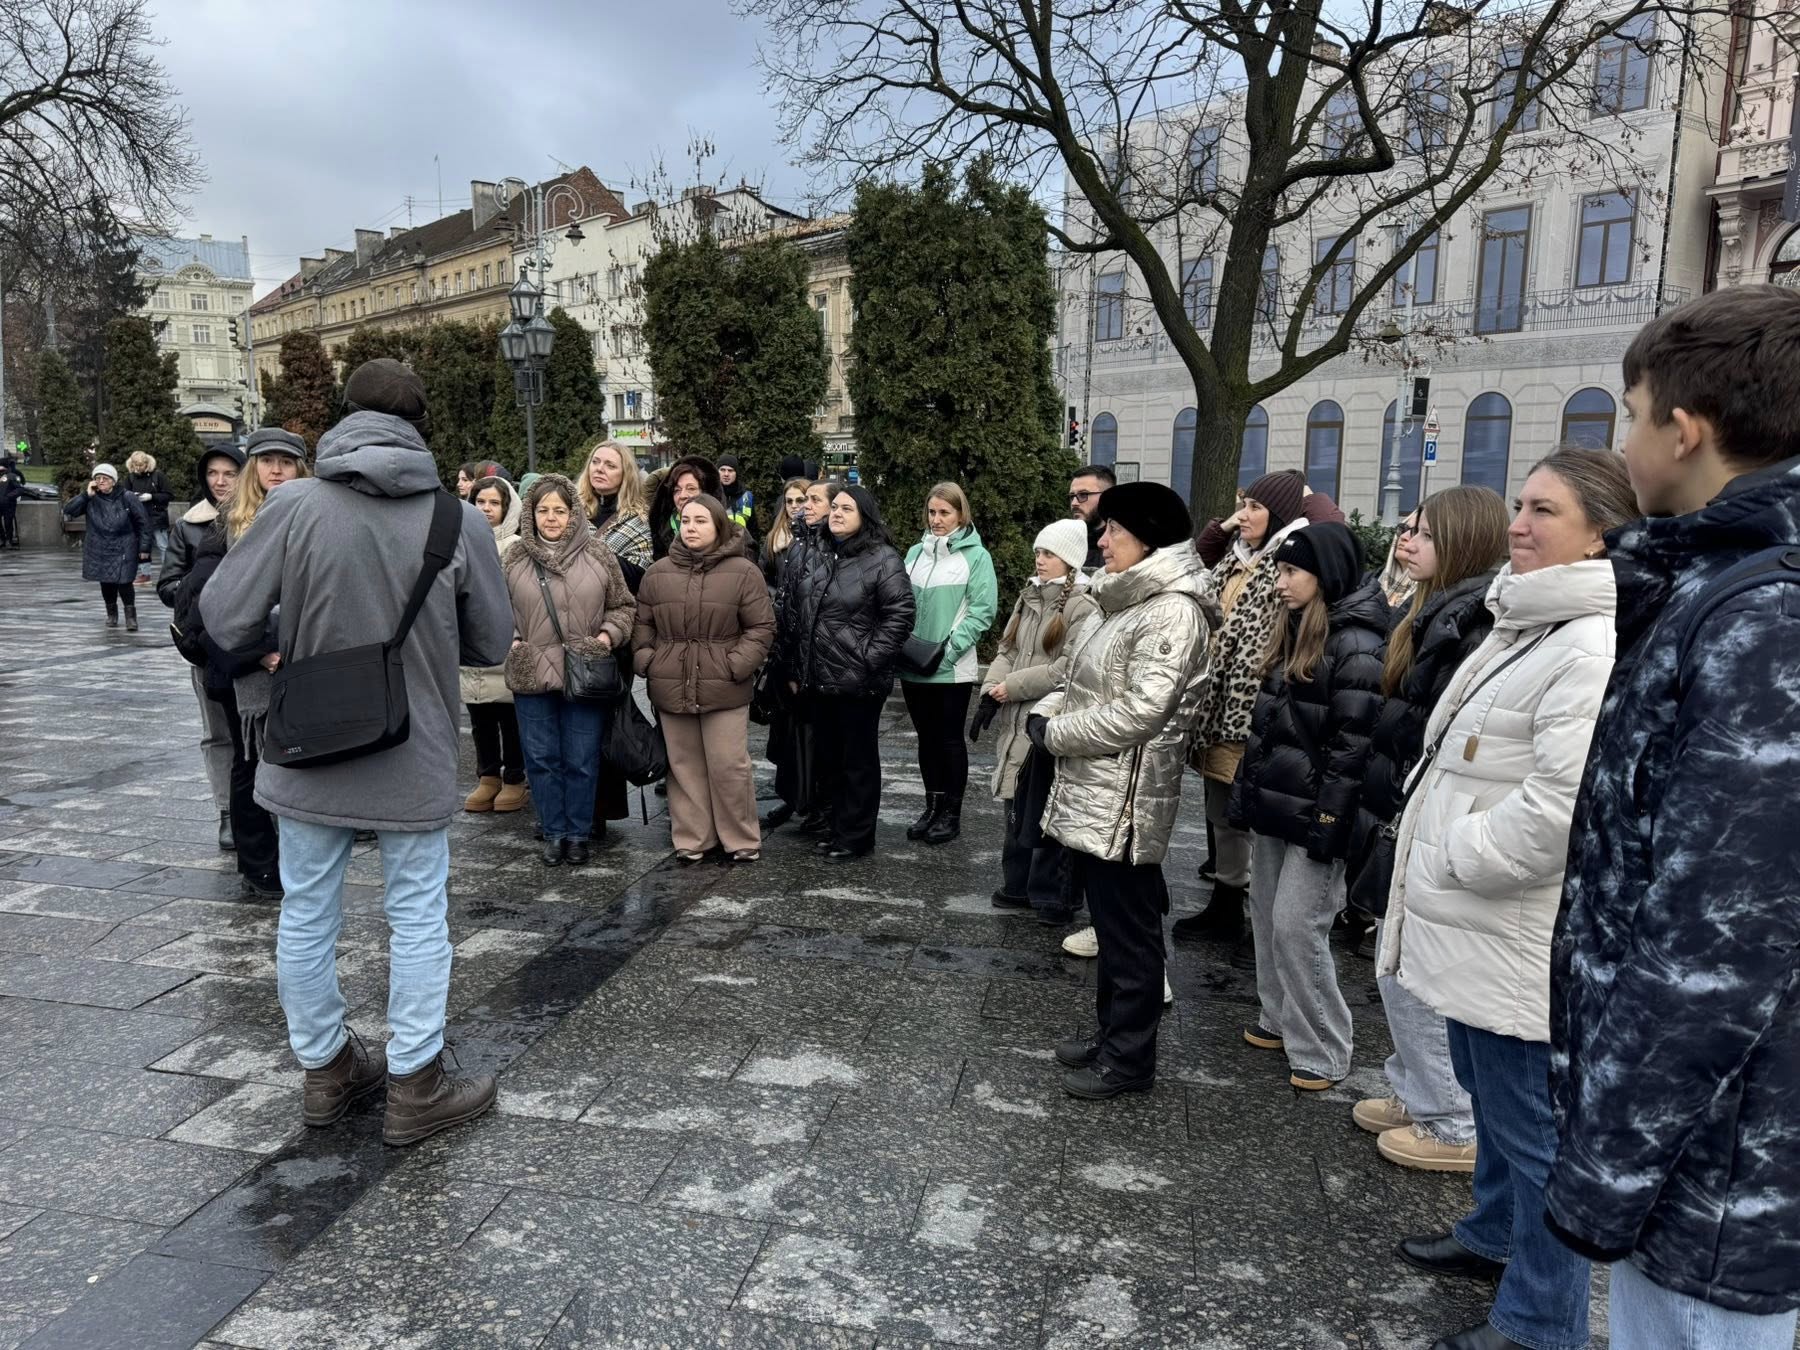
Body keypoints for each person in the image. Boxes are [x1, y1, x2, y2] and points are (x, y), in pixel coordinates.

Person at [1547, 286, 1800, 1350]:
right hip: (1706, 1151)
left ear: (1683, 430)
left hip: (1721, 1177)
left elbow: (1721, 939)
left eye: (1631, 412)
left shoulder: (1764, 617)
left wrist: (1605, 1172)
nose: (1624, 438)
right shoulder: (1723, 586)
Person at [201, 359, 514, 1148]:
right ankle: (416, 1081)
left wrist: (295, 637)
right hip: (415, 747)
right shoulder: (457, 518)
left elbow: (225, 618)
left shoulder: (296, 503)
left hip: (308, 743)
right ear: (418, 426)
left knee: (306, 911)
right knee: (416, 917)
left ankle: (326, 1069)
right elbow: (492, 641)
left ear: (343, 419)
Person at [1378, 447, 1637, 1350]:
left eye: (1545, 511)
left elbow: (1557, 812)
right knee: (1490, 1102)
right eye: (1520, 505)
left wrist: (1452, 855)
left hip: (1511, 926)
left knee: (1534, 1140)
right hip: (1471, 920)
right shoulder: (1524, 621)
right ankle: (1491, 1234)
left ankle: (1540, 1324)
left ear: (1601, 532)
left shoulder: (1585, 642)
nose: (1519, 524)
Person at [1035, 482, 1213, 1099]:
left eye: (1112, 530)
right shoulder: (1126, 602)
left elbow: (1142, 711)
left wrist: (1054, 732)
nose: (1100, 540)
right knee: (1110, 928)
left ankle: (1131, 1061)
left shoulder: (1173, 610)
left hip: (1129, 799)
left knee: (1131, 934)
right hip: (1097, 787)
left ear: (1147, 537)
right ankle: (1111, 1035)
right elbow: (1082, 680)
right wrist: (1050, 710)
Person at [1351, 486, 1509, 1173]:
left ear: (1464, 542)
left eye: (1422, 532)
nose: (1404, 541)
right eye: (1405, 529)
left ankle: (1450, 1120)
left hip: (1435, 817)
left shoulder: (1468, 619)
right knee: (1394, 961)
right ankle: (1418, 1091)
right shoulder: (1431, 609)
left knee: (1416, 969)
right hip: (1403, 807)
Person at [1228, 521, 1386, 1091]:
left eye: (1291, 571)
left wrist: (1329, 821)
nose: (1279, 582)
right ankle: (1279, 1018)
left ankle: (1322, 1045)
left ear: (1326, 576)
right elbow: (1265, 725)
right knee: (1266, 914)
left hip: (1319, 811)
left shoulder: (1357, 643)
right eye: (1280, 570)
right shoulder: (1296, 626)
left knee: (1298, 924)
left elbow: (1353, 747)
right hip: (1278, 800)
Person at [1170, 470, 1345, 963]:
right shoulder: (1238, 557)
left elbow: (1336, 533)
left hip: (1255, 714)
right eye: (1242, 505)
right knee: (1222, 812)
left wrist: (1312, 498)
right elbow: (1193, 566)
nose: (1242, 517)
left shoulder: (1290, 561)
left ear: (1282, 517)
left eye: (1254, 508)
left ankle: (1256, 923)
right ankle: (1225, 905)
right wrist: (1226, 526)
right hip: (1217, 708)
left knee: (1257, 822)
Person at [633, 494, 775, 863]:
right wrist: (648, 660)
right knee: (682, 767)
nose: (692, 527)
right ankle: (693, 838)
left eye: (701, 520)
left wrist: (736, 666)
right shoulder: (658, 573)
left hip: (725, 685)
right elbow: (642, 624)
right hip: (671, 683)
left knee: (729, 764)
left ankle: (741, 837)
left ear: (718, 526)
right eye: (686, 520)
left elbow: (761, 628)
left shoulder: (744, 572)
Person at [503, 473, 634, 867]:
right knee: (541, 757)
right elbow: (495, 608)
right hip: (533, 671)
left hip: (584, 670)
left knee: (581, 757)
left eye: (559, 510)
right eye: (543, 510)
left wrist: (607, 638)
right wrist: (510, 639)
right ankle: (553, 831)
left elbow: (624, 606)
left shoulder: (598, 554)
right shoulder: (513, 557)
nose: (551, 518)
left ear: (574, 512)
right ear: (530, 513)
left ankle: (578, 833)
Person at [779, 484, 913, 859]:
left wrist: (869, 658)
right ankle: (838, 828)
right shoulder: (822, 554)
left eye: (846, 509)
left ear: (864, 517)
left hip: (859, 682)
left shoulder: (883, 558)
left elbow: (900, 615)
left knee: (858, 763)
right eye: (834, 507)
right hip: (819, 679)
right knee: (830, 761)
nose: (836, 513)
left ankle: (856, 837)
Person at [207, 428, 312, 900]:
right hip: (246, 668)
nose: (275, 469)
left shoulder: (313, 517)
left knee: (298, 763)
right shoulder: (226, 525)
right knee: (249, 763)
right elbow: (211, 608)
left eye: (286, 462)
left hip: (301, 660)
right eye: (267, 460)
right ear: (253, 468)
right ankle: (258, 866)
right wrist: (259, 650)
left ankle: (298, 859)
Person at [981, 517, 1098, 923]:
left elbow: (1068, 667)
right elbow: (1008, 646)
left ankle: (1053, 894)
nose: (1041, 559)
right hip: (1016, 716)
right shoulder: (1029, 595)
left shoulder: (1083, 604)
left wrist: (1011, 686)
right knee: (1015, 795)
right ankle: (1017, 882)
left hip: (1046, 718)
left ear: (1069, 560)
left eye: (1049, 553)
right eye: (1039, 552)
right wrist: (990, 689)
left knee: (1047, 803)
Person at [157, 442, 246, 852]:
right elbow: (167, 584)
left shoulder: (261, 516)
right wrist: (198, 590)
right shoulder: (190, 525)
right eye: (213, 473)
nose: (221, 481)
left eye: (230, 473)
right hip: (206, 642)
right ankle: (227, 812)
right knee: (219, 732)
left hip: (255, 643)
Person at [900, 482, 998, 846]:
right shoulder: (915, 553)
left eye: (945, 513)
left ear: (961, 514)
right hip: (912, 663)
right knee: (926, 740)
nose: (937, 520)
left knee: (949, 741)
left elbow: (982, 611)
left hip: (950, 669)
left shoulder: (976, 557)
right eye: (932, 512)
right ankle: (932, 807)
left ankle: (951, 815)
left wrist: (949, 651)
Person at [574, 438, 655, 840]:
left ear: (625, 475)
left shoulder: (637, 524)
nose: (600, 469)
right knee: (569, 725)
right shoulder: (571, 514)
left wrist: (597, 555)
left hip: (612, 634)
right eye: (595, 462)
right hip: (568, 633)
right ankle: (570, 808)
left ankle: (599, 812)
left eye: (611, 464)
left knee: (604, 725)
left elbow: (642, 579)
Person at [765, 477, 837, 832]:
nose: (804, 506)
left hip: (823, 661)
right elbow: (788, 603)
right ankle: (802, 800)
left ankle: (824, 806)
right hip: (794, 659)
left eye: (813, 500)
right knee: (794, 737)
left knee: (822, 740)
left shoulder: (832, 546)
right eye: (799, 500)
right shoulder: (798, 544)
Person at [460, 476, 528, 814]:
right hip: (470, 639)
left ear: (507, 507)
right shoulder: (461, 540)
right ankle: (488, 775)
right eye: (480, 502)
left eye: (494, 503)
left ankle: (515, 776)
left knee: (508, 715)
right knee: (479, 714)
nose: (486, 509)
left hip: (505, 639)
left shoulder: (516, 545)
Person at [61, 462, 149, 629]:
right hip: (99, 546)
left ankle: (131, 618)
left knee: (125, 582)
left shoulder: (127, 497)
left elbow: (143, 523)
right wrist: (85, 495)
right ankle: (111, 614)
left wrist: (144, 548)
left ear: (113, 481)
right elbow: (69, 510)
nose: (101, 481)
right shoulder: (91, 498)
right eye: (97, 478)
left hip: (124, 545)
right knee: (106, 582)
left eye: (105, 478)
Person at [648, 454, 722, 559]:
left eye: (691, 489)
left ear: (706, 493)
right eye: (677, 490)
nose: (682, 496)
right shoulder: (658, 533)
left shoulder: (729, 533)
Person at [124, 451, 175, 583]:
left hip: (157, 516)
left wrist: (152, 497)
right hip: (139, 518)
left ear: (146, 464)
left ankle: (168, 573)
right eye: (135, 465)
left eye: (140, 465)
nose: (137, 468)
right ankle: (145, 574)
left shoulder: (158, 476)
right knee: (142, 547)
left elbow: (169, 495)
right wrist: (133, 496)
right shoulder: (130, 478)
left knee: (163, 546)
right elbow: (124, 496)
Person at [760, 477, 811, 587]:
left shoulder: (821, 536)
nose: (793, 506)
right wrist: (775, 599)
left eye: (800, 500)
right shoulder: (775, 537)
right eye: (789, 501)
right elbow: (763, 575)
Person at [1067, 463, 1116, 571]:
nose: (1074, 503)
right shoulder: (1063, 544)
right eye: (1072, 496)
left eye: (1083, 495)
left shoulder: (1126, 549)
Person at [718, 454, 756, 538]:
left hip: (742, 548)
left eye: (730, 470)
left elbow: (753, 529)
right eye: (722, 470)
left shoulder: (746, 497)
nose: (726, 474)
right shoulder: (711, 496)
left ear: (736, 473)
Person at [0, 451, 23, 549]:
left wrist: (9, 497)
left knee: (8, 522)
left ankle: (9, 540)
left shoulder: (12, 476)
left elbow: (19, 489)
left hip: (8, 504)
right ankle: (2, 539)